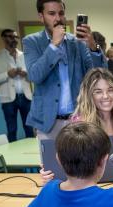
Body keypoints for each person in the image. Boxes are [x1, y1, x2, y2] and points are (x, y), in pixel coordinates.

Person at [23, 0, 106, 140]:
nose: (58, 18)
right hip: (48, 123)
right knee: (50, 162)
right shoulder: (31, 42)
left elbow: (99, 74)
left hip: (78, 120)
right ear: (41, 16)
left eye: (61, 13)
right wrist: (54, 45)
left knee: (81, 162)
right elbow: (35, 75)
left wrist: (92, 46)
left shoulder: (77, 42)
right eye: (51, 13)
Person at [39, 68, 113, 183]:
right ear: (89, 95)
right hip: (90, 187)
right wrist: (50, 172)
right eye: (98, 91)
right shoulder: (79, 124)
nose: (106, 96)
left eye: (110, 90)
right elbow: (69, 163)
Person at [0, 29, 35, 142]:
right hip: (8, 99)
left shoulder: (25, 55)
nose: (14, 39)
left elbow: (33, 76)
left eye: (15, 37)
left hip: (26, 97)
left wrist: (26, 74)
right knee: (12, 129)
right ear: (3, 38)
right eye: (10, 37)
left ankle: (33, 154)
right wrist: (7, 74)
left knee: (29, 127)